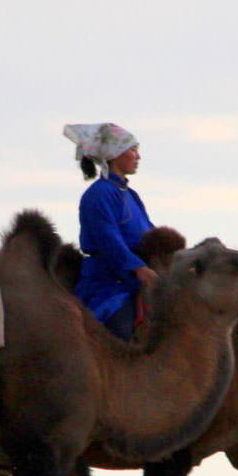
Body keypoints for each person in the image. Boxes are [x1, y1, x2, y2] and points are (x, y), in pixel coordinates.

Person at [63, 122, 159, 340]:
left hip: (136, 282)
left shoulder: (130, 195)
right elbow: (109, 240)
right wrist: (138, 268)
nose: (138, 156)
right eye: (133, 150)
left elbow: (150, 233)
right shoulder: (99, 194)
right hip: (109, 286)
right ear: (115, 154)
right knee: (121, 338)